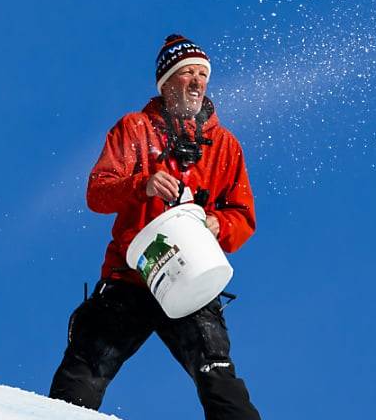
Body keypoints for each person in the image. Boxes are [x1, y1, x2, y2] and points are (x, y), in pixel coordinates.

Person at [49, 34, 261, 420]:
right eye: (186, 74)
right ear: (166, 84)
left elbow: (242, 215)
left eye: (202, 74)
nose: (197, 82)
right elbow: (98, 193)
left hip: (191, 278)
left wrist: (217, 223)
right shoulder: (133, 130)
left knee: (218, 378)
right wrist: (141, 185)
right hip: (130, 277)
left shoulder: (226, 146)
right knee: (84, 373)